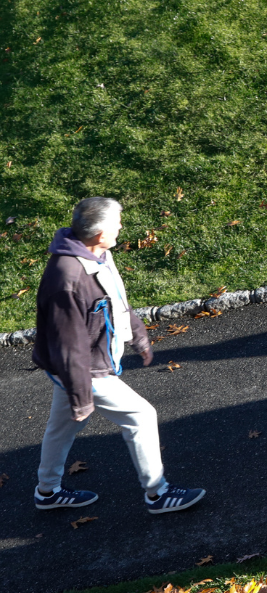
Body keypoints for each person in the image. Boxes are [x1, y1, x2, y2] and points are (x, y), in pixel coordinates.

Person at [31, 198, 205, 514]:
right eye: (116, 223)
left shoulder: (98, 255)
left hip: (81, 366)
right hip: (84, 369)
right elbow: (68, 346)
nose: (121, 227)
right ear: (98, 233)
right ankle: (158, 494)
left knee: (62, 427)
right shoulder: (67, 278)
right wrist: (82, 396)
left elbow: (116, 299)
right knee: (141, 416)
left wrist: (137, 332)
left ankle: (47, 491)